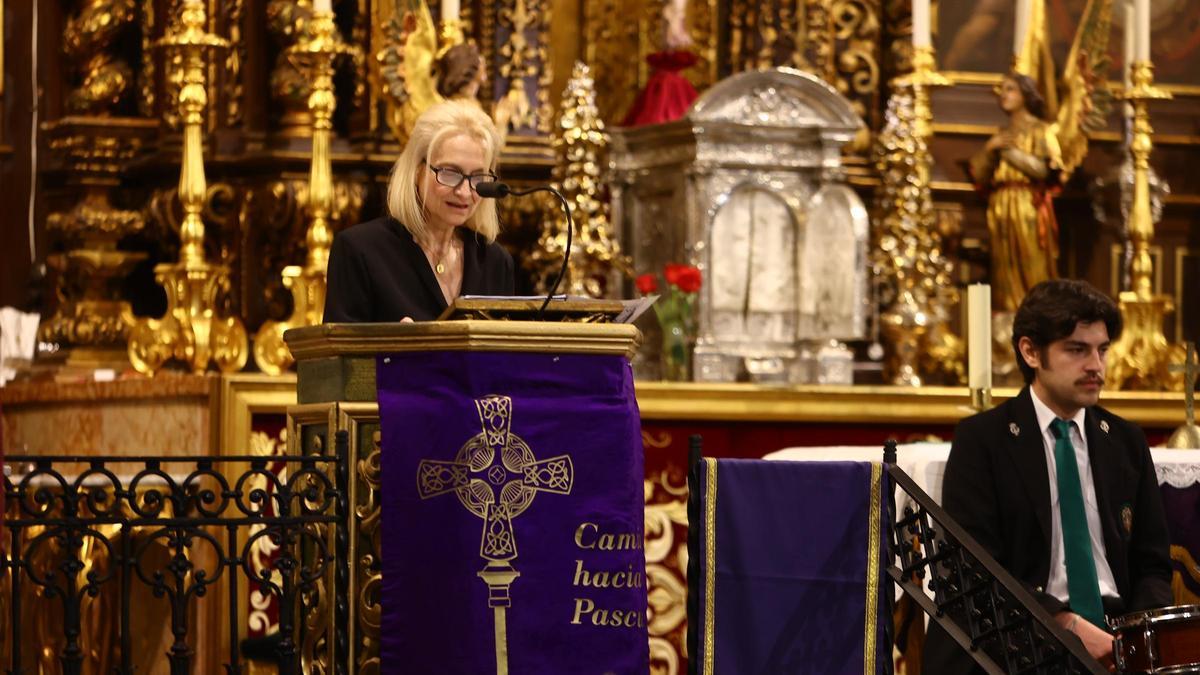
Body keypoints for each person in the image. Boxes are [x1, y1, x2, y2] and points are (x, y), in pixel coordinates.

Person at [923, 279, 1173, 672]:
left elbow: (1153, 565)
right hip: (1020, 629)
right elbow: (974, 569)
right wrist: (1063, 624)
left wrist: (1136, 639)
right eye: (1077, 350)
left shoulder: (1125, 441)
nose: (1096, 366)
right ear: (1031, 351)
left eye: (1102, 350)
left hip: (1116, 627)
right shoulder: (984, 439)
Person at [323, 100, 514, 323]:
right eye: (450, 172)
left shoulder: (496, 262)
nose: (464, 191)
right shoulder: (359, 250)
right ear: (417, 171)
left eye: (477, 176)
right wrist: (394, 348)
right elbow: (337, 355)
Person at [968, 72, 1064, 314]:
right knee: (1004, 267)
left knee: (1031, 262)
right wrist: (990, 149)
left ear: (1025, 95)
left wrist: (1009, 152)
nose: (1004, 94)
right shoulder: (1000, 135)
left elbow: (1046, 169)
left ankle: (1037, 313)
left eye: (1010, 89)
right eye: (1002, 89)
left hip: (1027, 205)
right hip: (1000, 207)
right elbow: (979, 175)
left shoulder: (1041, 130)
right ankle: (1007, 312)